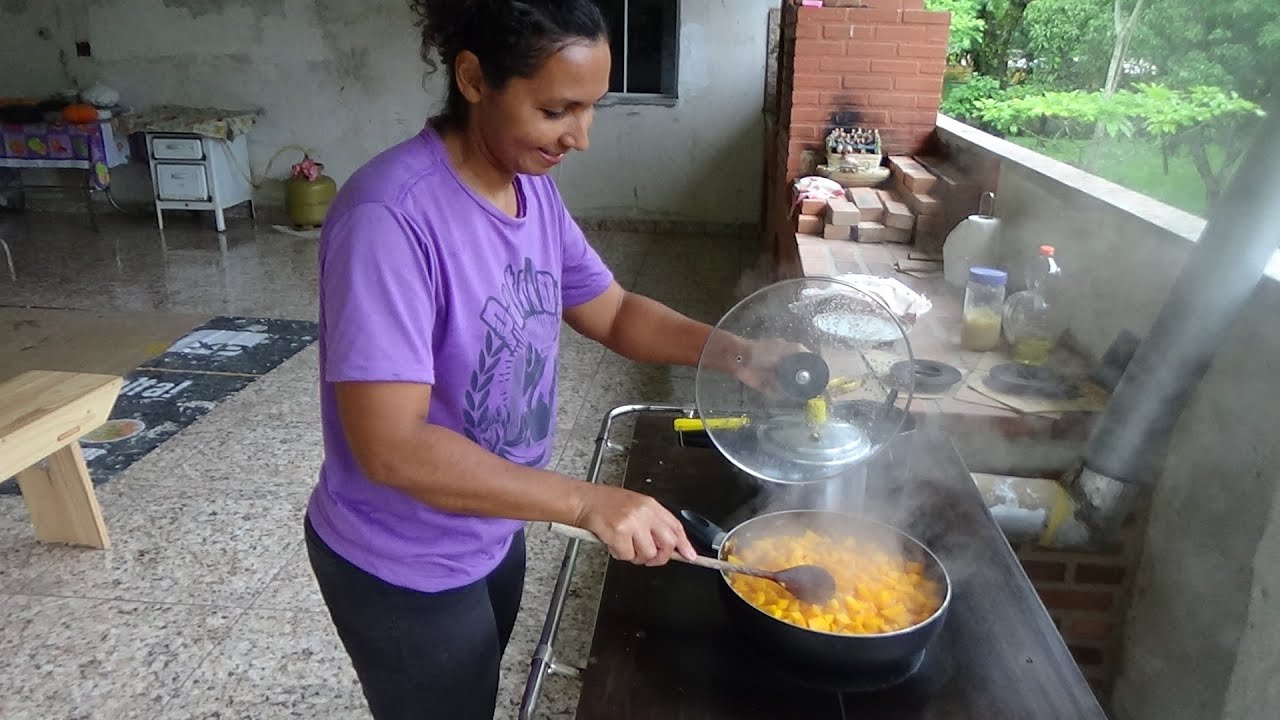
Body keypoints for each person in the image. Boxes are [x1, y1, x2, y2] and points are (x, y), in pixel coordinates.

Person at [302, 1, 776, 718]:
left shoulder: (530, 190)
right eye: (557, 109)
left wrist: (735, 350)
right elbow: (392, 448)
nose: (581, 137)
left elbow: (611, 310)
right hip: (403, 560)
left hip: (494, 519)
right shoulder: (390, 219)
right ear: (472, 78)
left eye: (591, 110)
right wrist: (588, 501)